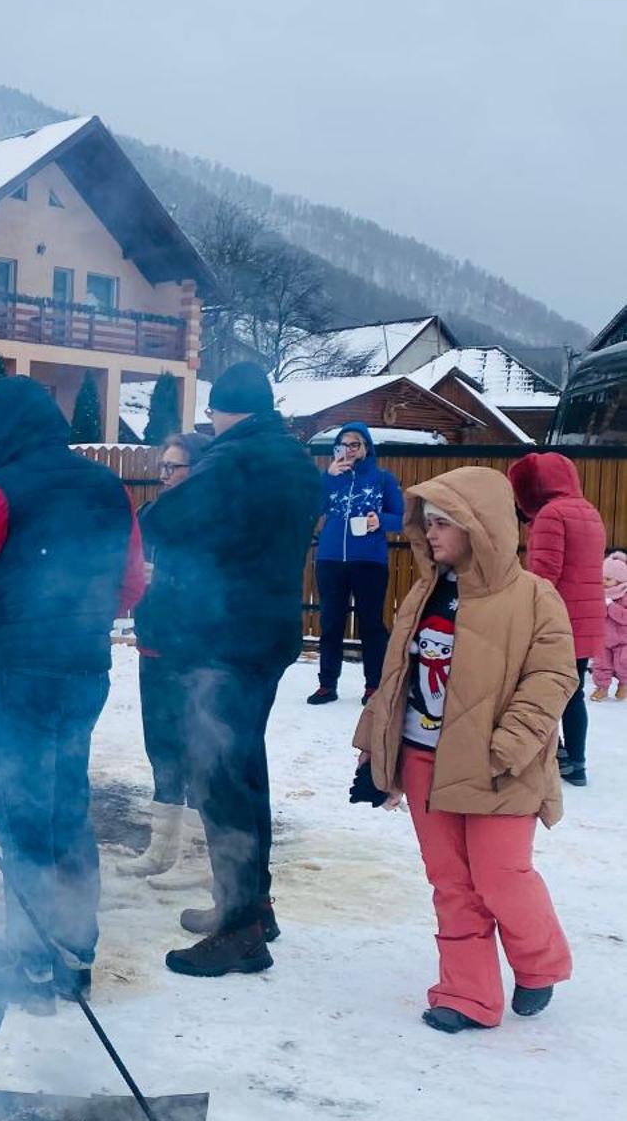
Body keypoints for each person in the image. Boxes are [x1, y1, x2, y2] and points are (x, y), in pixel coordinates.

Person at [0, 375, 145, 1003]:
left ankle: (33, 962)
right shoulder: (108, 487)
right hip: (82, 672)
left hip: (13, 677)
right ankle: (75, 952)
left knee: (20, 812)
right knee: (66, 806)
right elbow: (129, 587)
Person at [353, 468, 576, 1033]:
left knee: (501, 876)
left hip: (502, 767)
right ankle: (468, 995)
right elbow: (397, 675)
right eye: (426, 524)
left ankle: (538, 962)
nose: (431, 536)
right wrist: (373, 752)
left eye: (443, 523)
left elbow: (552, 679)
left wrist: (509, 746)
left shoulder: (534, 597)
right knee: (451, 883)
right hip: (425, 760)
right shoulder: (426, 591)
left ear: (481, 525)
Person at [144, 362, 322, 980]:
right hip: (269, 632)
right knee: (245, 767)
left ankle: (241, 930)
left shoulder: (232, 459)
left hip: (223, 642)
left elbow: (166, 520)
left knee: (219, 776)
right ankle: (250, 904)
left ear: (222, 410)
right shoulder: (297, 459)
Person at [129, 430, 210, 884]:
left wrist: (166, 577)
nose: (163, 476)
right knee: (160, 747)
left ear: (194, 471)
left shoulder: (207, 520)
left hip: (194, 652)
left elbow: (214, 587)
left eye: (172, 468)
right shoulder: (151, 515)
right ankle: (161, 848)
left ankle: (198, 858)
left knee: (197, 749)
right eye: (161, 467)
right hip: (153, 643)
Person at [508, 452, 606, 787]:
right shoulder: (588, 510)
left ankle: (553, 754)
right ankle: (574, 761)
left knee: (544, 690)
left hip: (557, 620)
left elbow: (544, 575)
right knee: (573, 692)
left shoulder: (552, 514)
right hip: (586, 617)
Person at [308, 422, 405, 706]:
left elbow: (402, 517)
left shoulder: (382, 479)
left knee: (371, 625)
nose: (349, 450)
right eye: (344, 444)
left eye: (355, 444)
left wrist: (381, 522)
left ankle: (374, 685)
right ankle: (327, 685)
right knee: (331, 623)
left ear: (366, 448)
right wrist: (327, 478)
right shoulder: (329, 477)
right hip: (330, 560)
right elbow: (312, 508)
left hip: (370, 561)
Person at [590, 551, 627, 699]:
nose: (604, 582)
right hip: (602, 638)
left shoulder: (624, 595)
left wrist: (611, 606)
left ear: (620, 580)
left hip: (623, 640)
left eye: (609, 579)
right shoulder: (599, 594)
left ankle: (624, 685)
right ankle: (601, 687)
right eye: (602, 578)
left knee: (623, 664)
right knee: (600, 664)